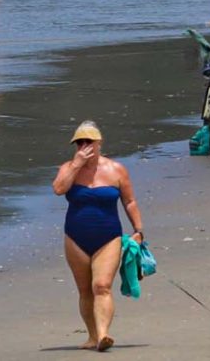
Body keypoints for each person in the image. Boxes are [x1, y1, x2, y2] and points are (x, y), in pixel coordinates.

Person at [56, 121, 144, 353]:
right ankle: (92, 336)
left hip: (109, 237)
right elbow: (58, 189)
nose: (84, 146)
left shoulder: (116, 169)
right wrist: (76, 165)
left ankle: (104, 334)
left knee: (102, 286)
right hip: (75, 237)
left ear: (99, 143)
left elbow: (129, 201)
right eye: (79, 142)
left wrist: (138, 230)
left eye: (89, 142)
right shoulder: (69, 168)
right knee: (85, 289)